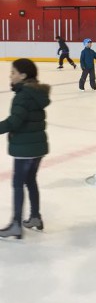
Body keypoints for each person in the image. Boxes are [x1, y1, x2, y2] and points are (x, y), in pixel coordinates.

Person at [0, 59, 50, 239]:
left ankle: (16, 224)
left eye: (13, 72)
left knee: (18, 184)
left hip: (25, 149)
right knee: (30, 180)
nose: (10, 76)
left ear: (23, 75)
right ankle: (35, 217)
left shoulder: (23, 95)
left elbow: (14, 121)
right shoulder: (35, 93)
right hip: (37, 147)